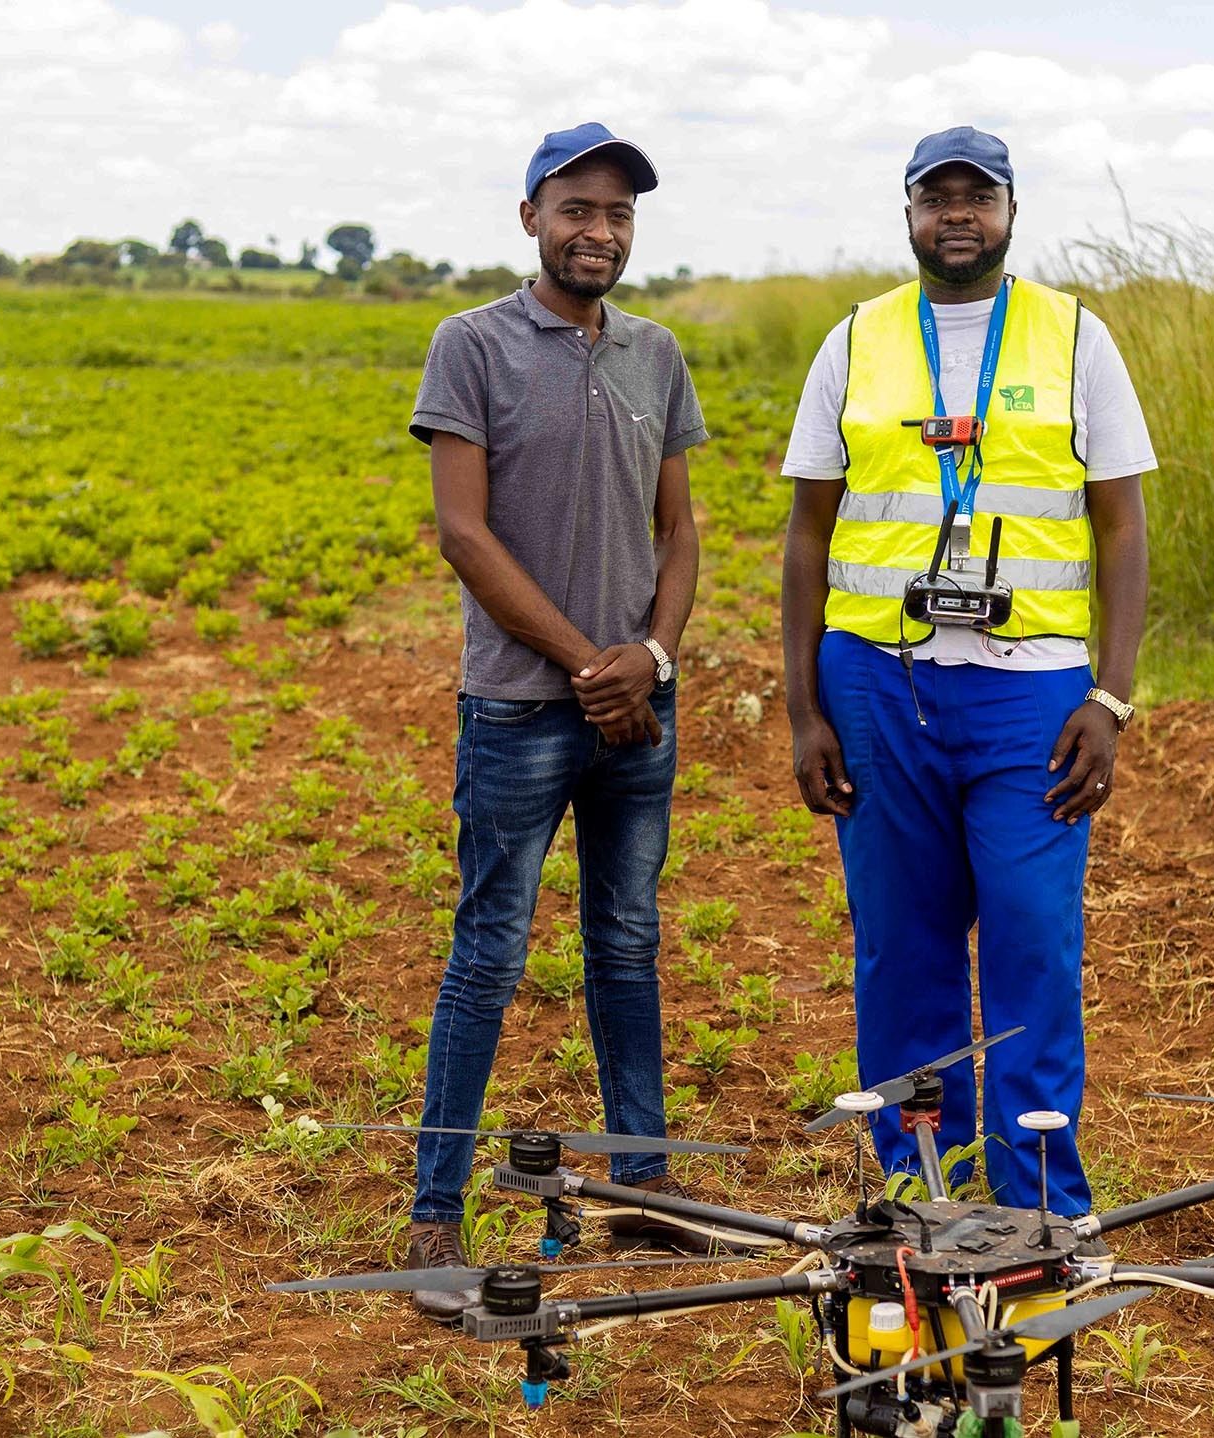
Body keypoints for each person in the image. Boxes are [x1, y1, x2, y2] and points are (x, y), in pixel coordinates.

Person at [780, 126, 1153, 1218]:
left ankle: (1039, 1195)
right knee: (905, 948)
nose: (957, 214)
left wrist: (1110, 696)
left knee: (1035, 942)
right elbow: (807, 536)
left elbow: (1121, 529)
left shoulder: (1077, 338)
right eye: (935, 197)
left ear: (1009, 211)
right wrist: (805, 708)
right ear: (906, 214)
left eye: (976, 196)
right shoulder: (854, 340)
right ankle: (920, 1191)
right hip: (878, 686)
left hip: (1030, 691)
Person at [404, 122, 710, 1319]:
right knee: (489, 948)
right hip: (524, 711)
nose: (601, 231)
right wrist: (596, 665)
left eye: (620, 214)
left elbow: (680, 530)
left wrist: (656, 656)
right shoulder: (470, 345)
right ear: (530, 217)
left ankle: (645, 1185)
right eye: (578, 209)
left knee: (627, 940)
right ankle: (438, 1197)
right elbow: (463, 534)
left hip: (641, 708)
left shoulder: (656, 353)